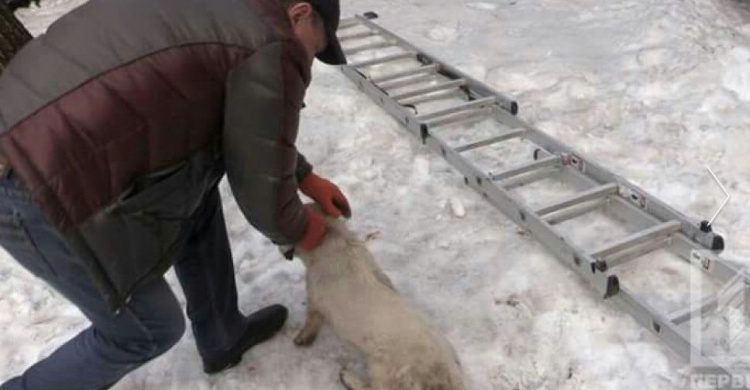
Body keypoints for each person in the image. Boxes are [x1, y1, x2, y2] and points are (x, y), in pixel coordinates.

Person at [0, 0, 351, 388]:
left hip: (32, 134)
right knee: (147, 328)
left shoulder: (232, 13)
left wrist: (304, 175)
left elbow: (249, 123)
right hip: (27, 177)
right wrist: (300, 227)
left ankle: (223, 336)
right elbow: (262, 192)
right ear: (299, 12)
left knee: (194, 193)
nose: (307, 60)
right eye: (313, 48)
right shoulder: (274, 38)